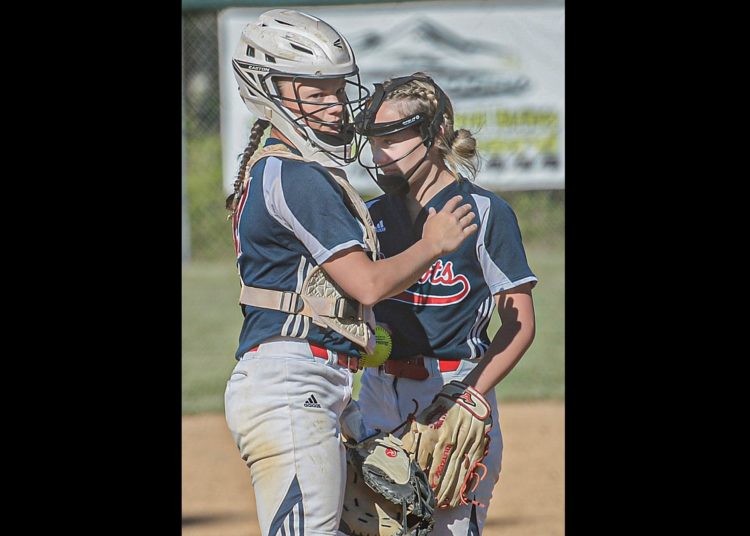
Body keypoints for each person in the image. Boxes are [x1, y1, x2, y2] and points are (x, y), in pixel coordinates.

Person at [222, 12, 478, 536]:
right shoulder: (297, 174)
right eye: (314, 91)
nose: (335, 102)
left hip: (319, 381)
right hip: (291, 383)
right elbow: (367, 284)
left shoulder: (279, 166)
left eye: (337, 88)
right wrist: (433, 244)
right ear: (266, 90)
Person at [353, 72, 538, 535]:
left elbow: (519, 325)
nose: (380, 154)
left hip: (456, 386)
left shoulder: (485, 213)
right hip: (377, 389)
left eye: (394, 137)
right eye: (375, 140)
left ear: (436, 134)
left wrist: (469, 394)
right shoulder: (371, 216)